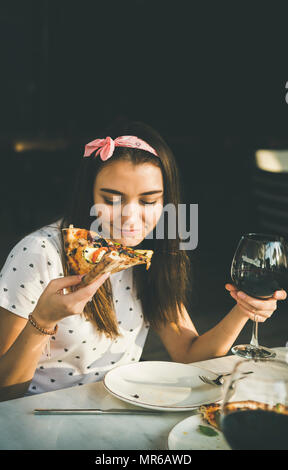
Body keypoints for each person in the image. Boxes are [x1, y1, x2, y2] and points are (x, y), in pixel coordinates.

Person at [0, 120, 286, 402]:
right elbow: (4, 391)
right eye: (112, 199)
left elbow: (190, 354)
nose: (131, 217)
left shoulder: (148, 257)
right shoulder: (39, 254)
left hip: (118, 410)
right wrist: (42, 321)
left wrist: (243, 309)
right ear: (88, 193)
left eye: (148, 201)